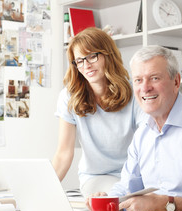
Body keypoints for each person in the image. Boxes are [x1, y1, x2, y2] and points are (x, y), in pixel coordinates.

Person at [87, 45, 182, 211]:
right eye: (138, 80)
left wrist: (165, 204)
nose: (145, 88)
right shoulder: (142, 133)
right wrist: (107, 200)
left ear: (176, 82)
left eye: (154, 78)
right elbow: (127, 189)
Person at [52, 27, 145, 197]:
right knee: (115, 198)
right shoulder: (68, 97)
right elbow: (64, 153)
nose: (86, 65)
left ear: (108, 55)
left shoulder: (135, 92)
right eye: (79, 60)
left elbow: (148, 144)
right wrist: (45, 191)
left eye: (92, 56)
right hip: (97, 177)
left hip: (134, 174)